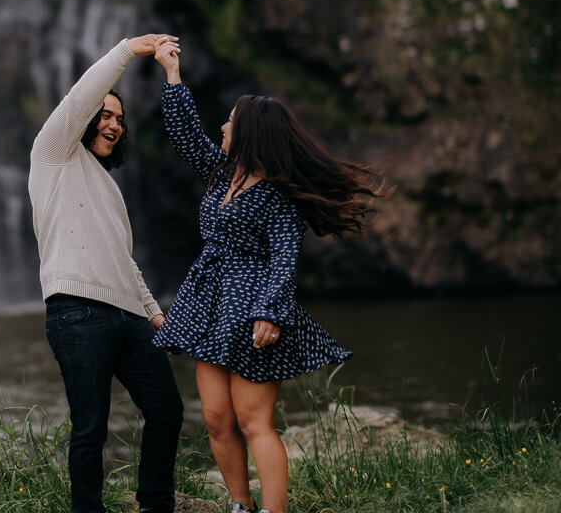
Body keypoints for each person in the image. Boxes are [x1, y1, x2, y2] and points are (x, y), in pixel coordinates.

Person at [150, 37, 389, 513]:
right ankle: (239, 505)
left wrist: (271, 312)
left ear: (252, 132)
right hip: (210, 305)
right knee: (217, 419)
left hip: (253, 307)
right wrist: (172, 75)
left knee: (253, 420)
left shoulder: (279, 195)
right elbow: (185, 135)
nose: (222, 126)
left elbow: (284, 255)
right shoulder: (221, 172)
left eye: (231, 121)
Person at [29, 34, 185, 513]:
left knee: (167, 410)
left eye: (120, 119)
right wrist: (128, 51)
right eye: (105, 114)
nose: (114, 124)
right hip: (76, 313)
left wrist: (156, 315)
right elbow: (79, 98)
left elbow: (124, 261)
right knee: (91, 426)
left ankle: (155, 505)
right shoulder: (53, 155)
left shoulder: (110, 190)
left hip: (129, 317)